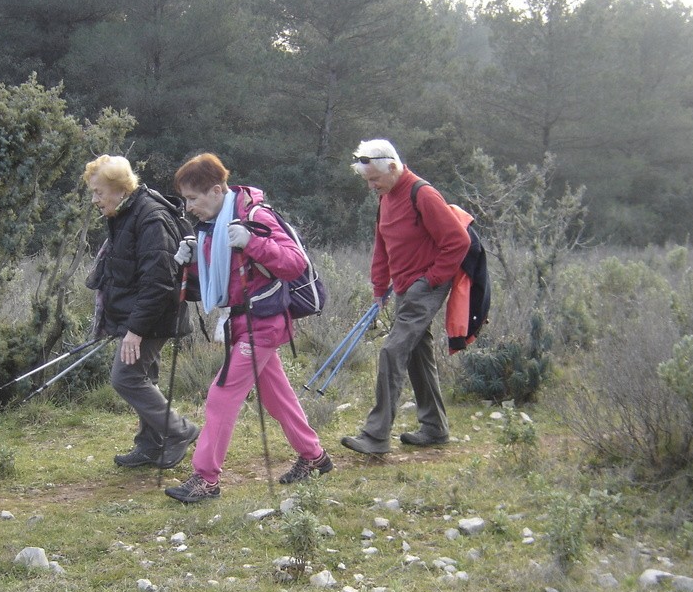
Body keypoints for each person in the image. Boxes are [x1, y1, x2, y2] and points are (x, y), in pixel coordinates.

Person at [163, 153, 332, 504]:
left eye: (193, 198)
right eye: (185, 200)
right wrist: (191, 262)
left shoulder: (255, 217)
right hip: (241, 321)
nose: (189, 207)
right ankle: (314, 457)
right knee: (277, 397)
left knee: (221, 395)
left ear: (216, 189)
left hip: (263, 322)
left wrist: (252, 241)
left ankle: (205, 479)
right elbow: (222, 280)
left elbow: (294, 263)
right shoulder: (214, 225)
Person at [341, 139, 471, 455]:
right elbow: (382, 246)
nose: (371, 186)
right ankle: (435, 428)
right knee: (416, 355)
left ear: (394, 168)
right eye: (367, 180)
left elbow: (458, 241)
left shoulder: (422, 194)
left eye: (374, 179)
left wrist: (429, 280)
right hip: (404, 289)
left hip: (426, 287)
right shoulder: (385, 198)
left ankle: (376, 436)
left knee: (392, 350)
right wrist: (378, 288)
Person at [83, 154, 199, 469]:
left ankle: (179, 431)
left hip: (154, 315)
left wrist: (135, 330)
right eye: (93, 193)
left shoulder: (150, 217)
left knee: (126, 377)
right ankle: (150, 445)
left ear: (120, 189)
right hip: (144, 314)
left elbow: (159, 281)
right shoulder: (126, 213)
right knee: (144, 376)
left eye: (99, 192)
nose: (95, 200)